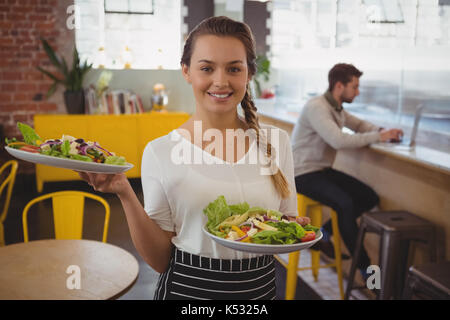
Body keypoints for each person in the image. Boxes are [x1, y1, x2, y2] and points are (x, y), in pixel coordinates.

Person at [77, 16, 298, 300]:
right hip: (188, 293)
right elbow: (159, 260)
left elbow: (288, 224)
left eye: (234, 68)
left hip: (259, 291)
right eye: (207, 68)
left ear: (249, 74)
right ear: (186, 71)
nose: (220, 81)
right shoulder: (160, 152)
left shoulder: (277, 142)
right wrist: (124, 192)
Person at [291, 63, 403, 279]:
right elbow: (338, 140)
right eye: (355, 86)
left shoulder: (336, 108)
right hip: (301, 173)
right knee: (344, 203)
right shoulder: (317, 107)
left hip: (320, 170)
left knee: (369, 197)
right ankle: (366, 270)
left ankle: (322, 234)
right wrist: (379, 137)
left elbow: (359, 125)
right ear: (340, 86)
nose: (358, 92)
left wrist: (383, 131)